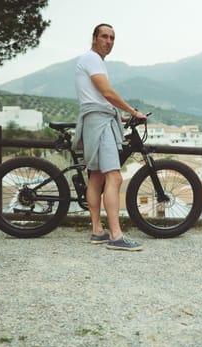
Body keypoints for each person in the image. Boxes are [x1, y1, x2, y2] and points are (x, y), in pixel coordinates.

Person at [73, 23, 147, 251]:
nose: (108, 41)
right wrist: (132, 112)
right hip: (100, 123)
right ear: (94, 38)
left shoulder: (90, 60)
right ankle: (116, 236)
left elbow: (96, 97)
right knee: (114, 178)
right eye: (104, 36)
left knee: (96, 177)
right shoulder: (92, 59)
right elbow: (106, 92)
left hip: (96, 119)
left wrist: (120, 118)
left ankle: (97, 230)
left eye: (112, 38)